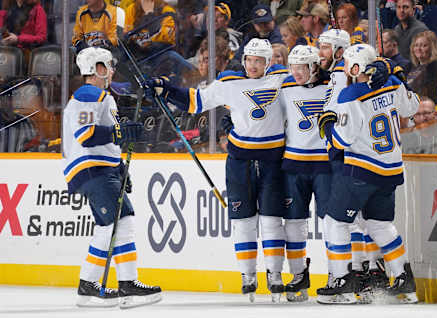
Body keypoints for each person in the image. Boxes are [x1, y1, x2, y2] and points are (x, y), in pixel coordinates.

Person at [149, 38, 289, 303]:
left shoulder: (282, 79)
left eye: (259, 60)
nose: (253, 65)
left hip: (273, 162)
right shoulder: (229, 82)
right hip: (239, 162)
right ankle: (248, 275)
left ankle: (275, 274)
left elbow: (312, 83)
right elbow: (195, 101)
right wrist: (165, 89)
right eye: (250, 59)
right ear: (244, 59)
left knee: (271, 220)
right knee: (243, 221)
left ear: (269, 62)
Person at [316, 43, 419, 304]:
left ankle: (341, 280)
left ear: (354, 67)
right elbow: (412, 107)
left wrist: (327, 125)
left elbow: (343, 139)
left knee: (335, 221)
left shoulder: (351, 94)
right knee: (379, 224)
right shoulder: (392, 82)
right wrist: (400, 80)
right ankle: (404, 279)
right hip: (392, 169)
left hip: (362, 169)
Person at [62, 47, 161, 308]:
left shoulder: (101, 96)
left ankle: (110, 283)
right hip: (91, 169)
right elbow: (86, 135)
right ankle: (98, 284)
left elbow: (102, 140)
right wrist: (120, 133)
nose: (113, 70)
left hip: (101, 169)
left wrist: (117, 167)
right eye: (108, 65)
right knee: (117, 223)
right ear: (98, 69)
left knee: (117, 224)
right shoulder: (88, 93)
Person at [278, 45, 332, 302]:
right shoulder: (284, 87)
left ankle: (337, 274)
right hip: (293, 165)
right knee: (294, 224)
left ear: (313, 67)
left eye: (301, 67)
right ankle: (299, 275)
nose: (296, 72)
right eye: (293, 67)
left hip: (325, 165)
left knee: (334, 223)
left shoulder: (332, 85)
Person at [0, 79, 39, 152]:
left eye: (10, 98)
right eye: (4, 98)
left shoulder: (26, 122)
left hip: (19, 163)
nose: (8, 102)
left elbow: (33, 148)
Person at [407, 30, 437, 104]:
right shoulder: (410, 67)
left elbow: (433, 94)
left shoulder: (436, 67)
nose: (418, 49)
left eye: (424, 46)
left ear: (432, 48)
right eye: (416, 45)